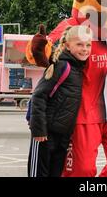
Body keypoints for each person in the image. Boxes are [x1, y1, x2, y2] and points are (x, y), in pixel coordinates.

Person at [28, 25, 92, 177]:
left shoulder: (78, 68)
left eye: (88, 45)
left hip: (63, 137)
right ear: (67, 45)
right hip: (45, 134)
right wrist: (39, 130)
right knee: (39, 174)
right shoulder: (62, 66)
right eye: (79, 44)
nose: (85, 49)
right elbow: (38, 96)